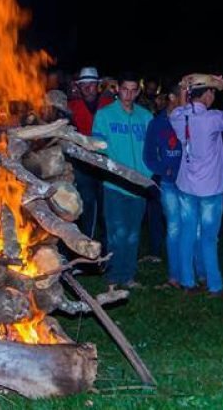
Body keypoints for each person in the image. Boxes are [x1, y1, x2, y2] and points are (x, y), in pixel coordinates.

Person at [169, 74, 223, 298]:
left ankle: (187, 282)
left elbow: (184, 111)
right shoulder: (213, 118)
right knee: (209, 238)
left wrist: (184, 91)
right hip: (210, 188)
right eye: (213, 92)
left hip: (186, 185)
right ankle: (214, 286)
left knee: (187, 234)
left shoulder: (176, 116)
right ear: (209, 95)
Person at [91, 72, 153, 290]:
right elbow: (98, 146)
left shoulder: (145, 116)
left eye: (132, 90)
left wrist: (149, 172)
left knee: (133, 232)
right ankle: (113, 278)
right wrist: (111, 169)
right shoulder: (105, 115)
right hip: (115, 184)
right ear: (117, 89)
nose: (128, 94)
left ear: (137, 91)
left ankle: (128, 275)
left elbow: (153, 147)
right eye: (124, 89)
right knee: (116, 232)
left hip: (139, 184)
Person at [144, 82, 186, 288]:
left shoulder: (189, 120)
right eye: (182, 97)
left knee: (192, 228)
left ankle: (195, 274)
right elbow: (148, 155)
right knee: (174, 227)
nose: (186, 102)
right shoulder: (157, 123)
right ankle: (174, 276)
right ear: (172, 97)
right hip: (169, 183)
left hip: (189, 183)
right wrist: (161, 169)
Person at [67, 66, 113, 238]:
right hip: (83, 164)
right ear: (79, 87)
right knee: (87, 203)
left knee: (106, 207)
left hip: (106, 163)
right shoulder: (71, 106)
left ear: (98, 85)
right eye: (84, 84)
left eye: (91, 84)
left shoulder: (109, 105)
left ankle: (108, 249)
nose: (88, 88)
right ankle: (87, 244)